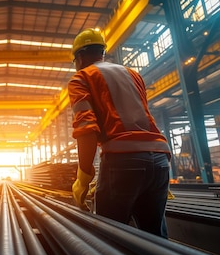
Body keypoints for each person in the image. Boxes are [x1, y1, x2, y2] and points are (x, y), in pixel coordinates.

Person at [68, 28, 171, 238]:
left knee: (111, 238)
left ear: (79, 57)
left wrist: (83, 178)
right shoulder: (133, 74)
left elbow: (86, 129)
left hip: (123, 162)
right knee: (156, 239)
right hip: (160, 160)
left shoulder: (81, 78)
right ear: (102, 53)